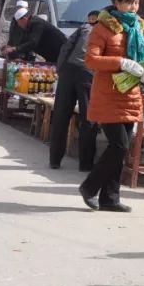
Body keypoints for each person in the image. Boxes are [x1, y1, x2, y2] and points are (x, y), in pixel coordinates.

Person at [79, 0, 144, 213]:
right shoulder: (103, 27)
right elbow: (91, 60)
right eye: (129, 2)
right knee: (119, 145)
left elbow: (141, 56)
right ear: (117, 3)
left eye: (136, 3)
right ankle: (90, 187)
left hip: (130, 93)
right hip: (108, 95)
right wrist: (120, 62)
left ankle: (110, 197)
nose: (134, 7)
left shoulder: (137, 27)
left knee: (122, 149)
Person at [49, 13, 98, 171]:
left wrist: (61, 70)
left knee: (61, 117)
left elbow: (65, 48)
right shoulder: (103, 32)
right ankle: (86, 164)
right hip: (87, 74)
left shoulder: (83, 28)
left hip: (68, 72)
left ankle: (55, 160)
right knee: (88, 119)